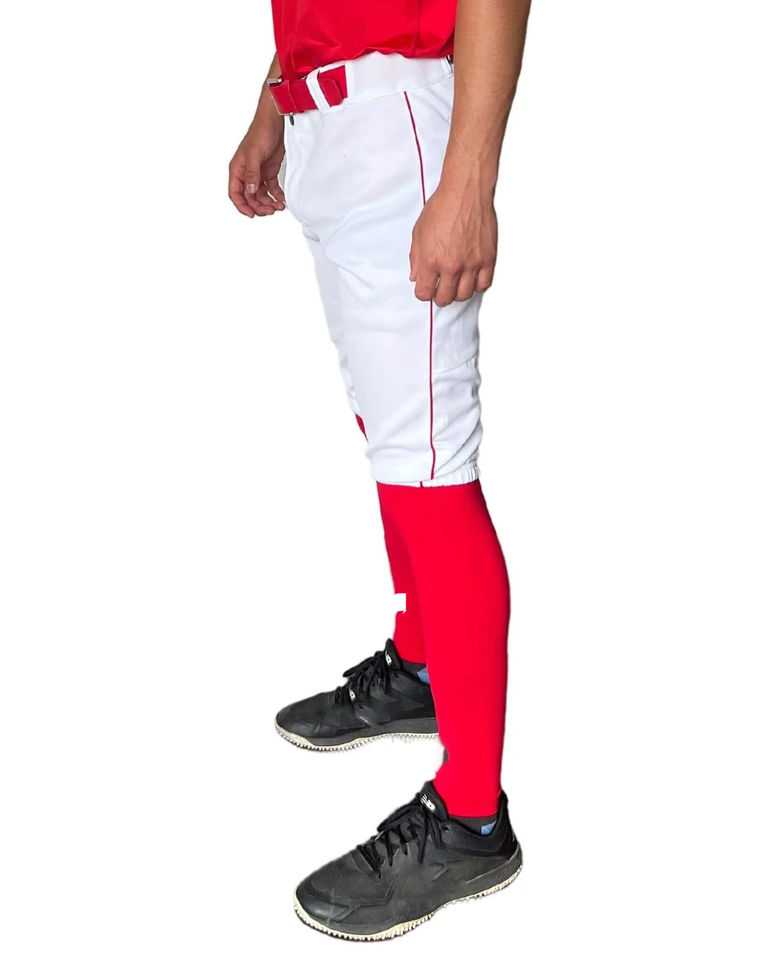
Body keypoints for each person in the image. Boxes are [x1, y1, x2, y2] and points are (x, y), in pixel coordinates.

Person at [229, 0, 532, 941]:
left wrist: (469, 182)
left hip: (398, 126)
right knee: (395, 440)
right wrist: (273, 108)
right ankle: (422, 666)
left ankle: (472, 818)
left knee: (431, 467)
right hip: (324, 126)